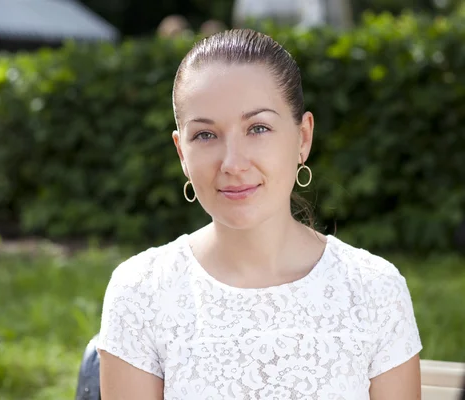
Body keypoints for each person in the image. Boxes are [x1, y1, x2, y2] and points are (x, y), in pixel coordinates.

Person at [95, 29, 423, 399]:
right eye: (205, 135)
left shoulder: (375, 290)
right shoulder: (141, 292)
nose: (233, 163)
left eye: (258, 128)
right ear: (181, 153)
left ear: (303, 138)